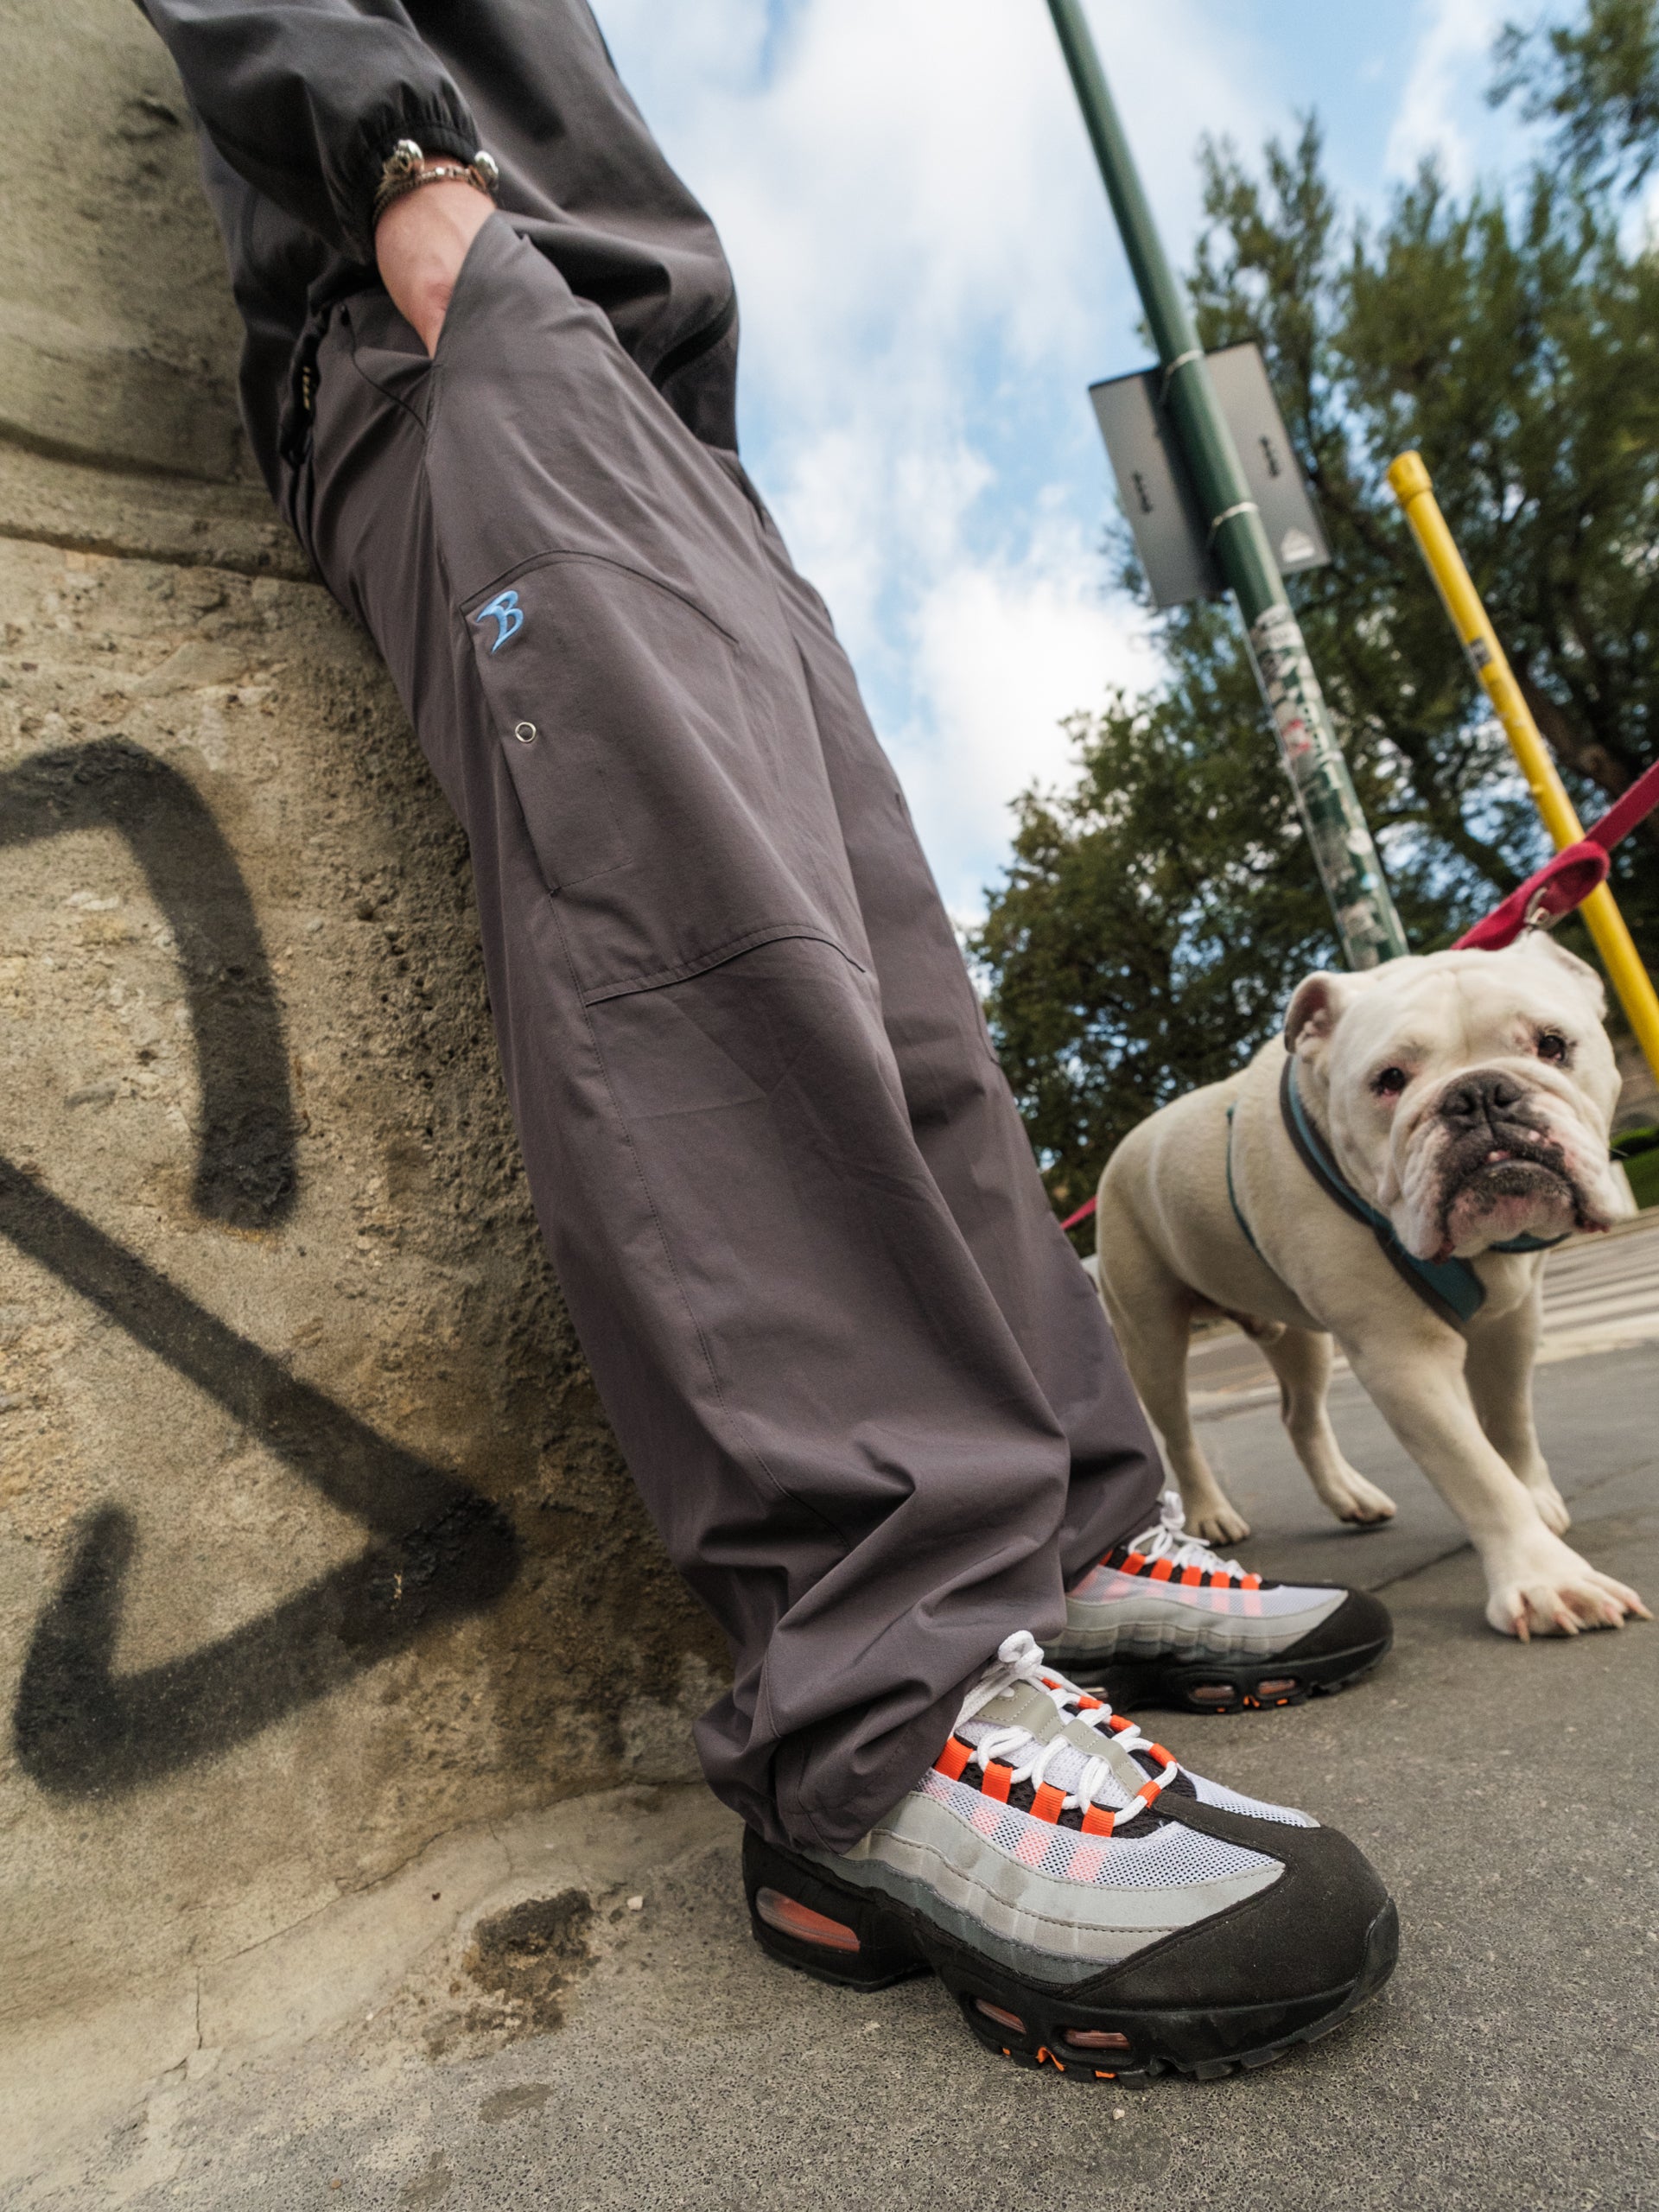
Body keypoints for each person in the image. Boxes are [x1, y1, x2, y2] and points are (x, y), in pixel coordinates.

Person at [136, 0, 1397, 2076]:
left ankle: (1063, 1547)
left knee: (896, 1007)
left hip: (645, 385)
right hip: (447, 294)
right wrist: (403, 176)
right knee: (697, 969)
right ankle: (879, 1720)